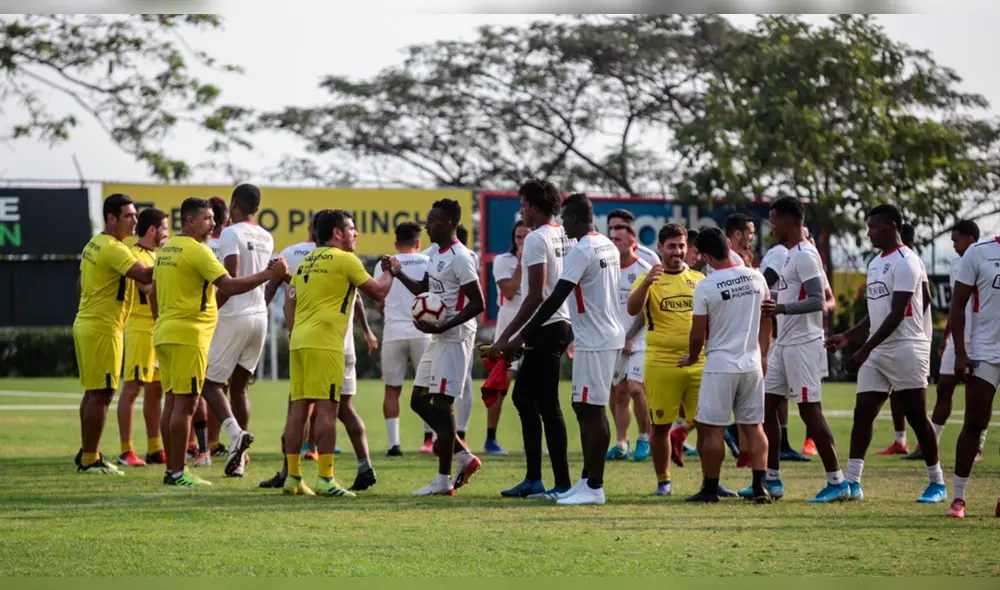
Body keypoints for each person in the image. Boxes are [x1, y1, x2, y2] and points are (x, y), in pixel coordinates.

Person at [152, 197, 288, 487]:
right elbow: (229, 285)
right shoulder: (197, 251)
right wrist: (269, 275)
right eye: (207, 218)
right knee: (186, 405)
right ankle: (178, 472)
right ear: (190, 221)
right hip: (190, 335)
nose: (213, 223)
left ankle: (172, 470)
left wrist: (161, 320)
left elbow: (152, 291)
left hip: (164, 332)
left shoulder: (165, 250)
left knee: (172, 402)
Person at [505, 193, 623, 505]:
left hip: (595, 339)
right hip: (601, 334)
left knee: (592, 409)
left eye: (567, 220)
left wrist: (520, 335)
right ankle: (584, 481)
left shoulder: (582, 249)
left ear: (575, 218)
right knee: (584, 407)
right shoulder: (608, 244)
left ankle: (594, 487)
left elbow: (554, 297)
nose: (563, 226)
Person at [826, 204, 947, 504]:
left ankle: (938, 483)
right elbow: (876, 314)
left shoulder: (907, 262)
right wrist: (848, 337)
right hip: (877, 349)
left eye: (873, 227)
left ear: (892, 226)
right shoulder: (876, 263)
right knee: (863, 412)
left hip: (906, 347)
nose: (868, 233)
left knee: (916, 416)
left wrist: (865, 349)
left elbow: (896, 315)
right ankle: (852, 484)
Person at [279, 209, 393, 496]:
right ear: (338, 233)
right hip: (326, 343)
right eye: (351, 228)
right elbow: (378, 291)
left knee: (299, 409)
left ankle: (293, 478)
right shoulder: (346, 260)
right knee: (328, 409)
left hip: (300, 342)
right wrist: (391, 271)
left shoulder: (306, 262)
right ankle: (326, 479)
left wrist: (297, 331)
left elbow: (289, 303)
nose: (355, 233)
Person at [749, 196, 847, 503]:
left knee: (809, 411)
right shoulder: (790, 254)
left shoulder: (805, 254)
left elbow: (819, 301)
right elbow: (795, 293)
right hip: (783, 344)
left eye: (774, 220)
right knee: (765, 408)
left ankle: (837, 482)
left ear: (789, 221)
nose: (771, 226)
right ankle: (772, 481)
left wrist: (780, 308)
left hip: (804, 345)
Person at [389, 198, 485, 496]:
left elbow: (478, 302)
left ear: (447, 224)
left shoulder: (461, 257)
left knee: (442, 405)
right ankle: (463, 456)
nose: (426, 225)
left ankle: (443, 482)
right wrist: (398, 273)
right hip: (438, 335)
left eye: (431, 221)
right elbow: (426, 291)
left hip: (455, 337)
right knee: (418, 401)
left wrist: (443, 325)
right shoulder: (436, 255)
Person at [489, 181, 573, 499]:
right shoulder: (563, 233)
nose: (521, 210)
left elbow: (535, 295)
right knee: (524, 398)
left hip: (547, 326)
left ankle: (561, 483)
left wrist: (508, 336)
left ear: (535, 207)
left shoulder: (537, 238)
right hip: (559, 324)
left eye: (523, 204)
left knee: (547, 405)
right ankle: (534, 478)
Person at [679, 227, 772, 503]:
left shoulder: (706, 285)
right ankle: (760, 487)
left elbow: (697, 334)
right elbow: (768, 315)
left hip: (720, 365)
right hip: (752, 364)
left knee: (712, 429)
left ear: (707, 255)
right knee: (754, 426)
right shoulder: (757, 277)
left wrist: (693, 357)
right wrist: (763, 354)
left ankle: (710, 488)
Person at [626, 224, 712, 496]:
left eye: (682, 246)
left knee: (708, 424)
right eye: (672, 246)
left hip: (698, 362)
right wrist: (648, 282)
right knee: (660, 426)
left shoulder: (699, 279)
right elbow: (631, 309)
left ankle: (710, 482)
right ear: (660, 248)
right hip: (661, 363)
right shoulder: (648, 278)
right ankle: (664, 482)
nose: (677, 251)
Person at [73, 193, 154, 474]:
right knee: (103, 393)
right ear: (111, 218)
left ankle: (86, 451)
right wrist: (174, 266)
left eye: (135, 215)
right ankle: (90, 459)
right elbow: (145, 276)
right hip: (103, 328)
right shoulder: (113, 247)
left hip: (88, 323)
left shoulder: (93, 244)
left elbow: (80, 284)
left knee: (93, 392)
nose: (134, 221)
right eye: (128, 216)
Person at [200, 184, 274, 478]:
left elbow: (229, 279)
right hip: (260, 316)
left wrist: (210, 311)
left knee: (209, 383)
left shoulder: (230, 232)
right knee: (241, 386)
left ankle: (233, 434)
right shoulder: (267, 235)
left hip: (234, 315)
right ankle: (240, 459)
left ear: (234, 205)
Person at [904, 221, 983, 462]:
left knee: (978, 392)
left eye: (956, 239)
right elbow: (956, 304)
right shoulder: (957, 264)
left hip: (981, 336)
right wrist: (947, 335)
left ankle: (977, 444)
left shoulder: (986, 259)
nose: (953, 244)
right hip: (958, 336)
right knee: (944, 386)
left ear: (970, 239)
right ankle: (930, 444)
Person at [944, 227, 1000, 518]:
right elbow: (958, 304)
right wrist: (961, 352)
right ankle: (959, 498)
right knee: (974, 422)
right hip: (984, 352)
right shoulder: (979, 253)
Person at [116, 207, 170, 468]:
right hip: (140, 328)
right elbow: (148, 288)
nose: (167, 233)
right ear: (153, 230)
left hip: (158, 328)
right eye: (165, 228)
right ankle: (126, 450)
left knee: (155, 389)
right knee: (133, 387)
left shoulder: (156, 255)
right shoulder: (135, 255)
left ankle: (154, 448)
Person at [375, 222, 431, 456]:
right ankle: (431, 441)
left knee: (391, 390)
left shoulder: (384, 264)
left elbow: (378, 298)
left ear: (396, 244)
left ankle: (393, 445)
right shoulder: (428, 262)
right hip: (423, 332)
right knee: (429, 389)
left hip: (394, 332)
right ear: (419, 243)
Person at [877, 223, 932, 457]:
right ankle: (900, 440)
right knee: (893, 395)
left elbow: (926, 297)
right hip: (891, 338)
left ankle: (925, 452)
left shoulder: (910, 260)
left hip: (910, 338)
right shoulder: (884, 261)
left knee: (914, 403)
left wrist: (910, 319)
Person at [605, 223, 651, 462]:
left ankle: (645, 437)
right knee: (619, 393)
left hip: (639, 339)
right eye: (611, 238)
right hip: (616, 339)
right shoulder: (607, 268)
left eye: (619, 240)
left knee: (635, 388)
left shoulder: (643, 269)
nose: (614, 243)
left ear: (633, 243)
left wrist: (630, 336)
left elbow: (646, 310)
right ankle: (622, 442)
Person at [486, 220, 531, 455]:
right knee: (501, 383)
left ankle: (531, 441)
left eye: (527, 237)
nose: (522, 242)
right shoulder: (503, 261)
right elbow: (510, 291)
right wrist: (522, 264)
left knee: (534, 386)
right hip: (509, 322)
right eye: (519, 237)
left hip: (534, 321)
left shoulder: (543, 259)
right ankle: (490, 438)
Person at [203, 196, 230, 459]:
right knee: (217, 385)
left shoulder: (200, 247)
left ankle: (198, 444)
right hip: (223, 319)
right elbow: (231, 285)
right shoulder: (227, 244)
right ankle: (212, 442)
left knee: (201, 384)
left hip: (203, 320)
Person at [455, 224, 478, 444]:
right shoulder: (430, 257)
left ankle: (459, 434)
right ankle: (446, 435)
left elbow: (476, 299)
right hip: (440, 328)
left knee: (462, 380)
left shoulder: (467, 257)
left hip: (461, 327)